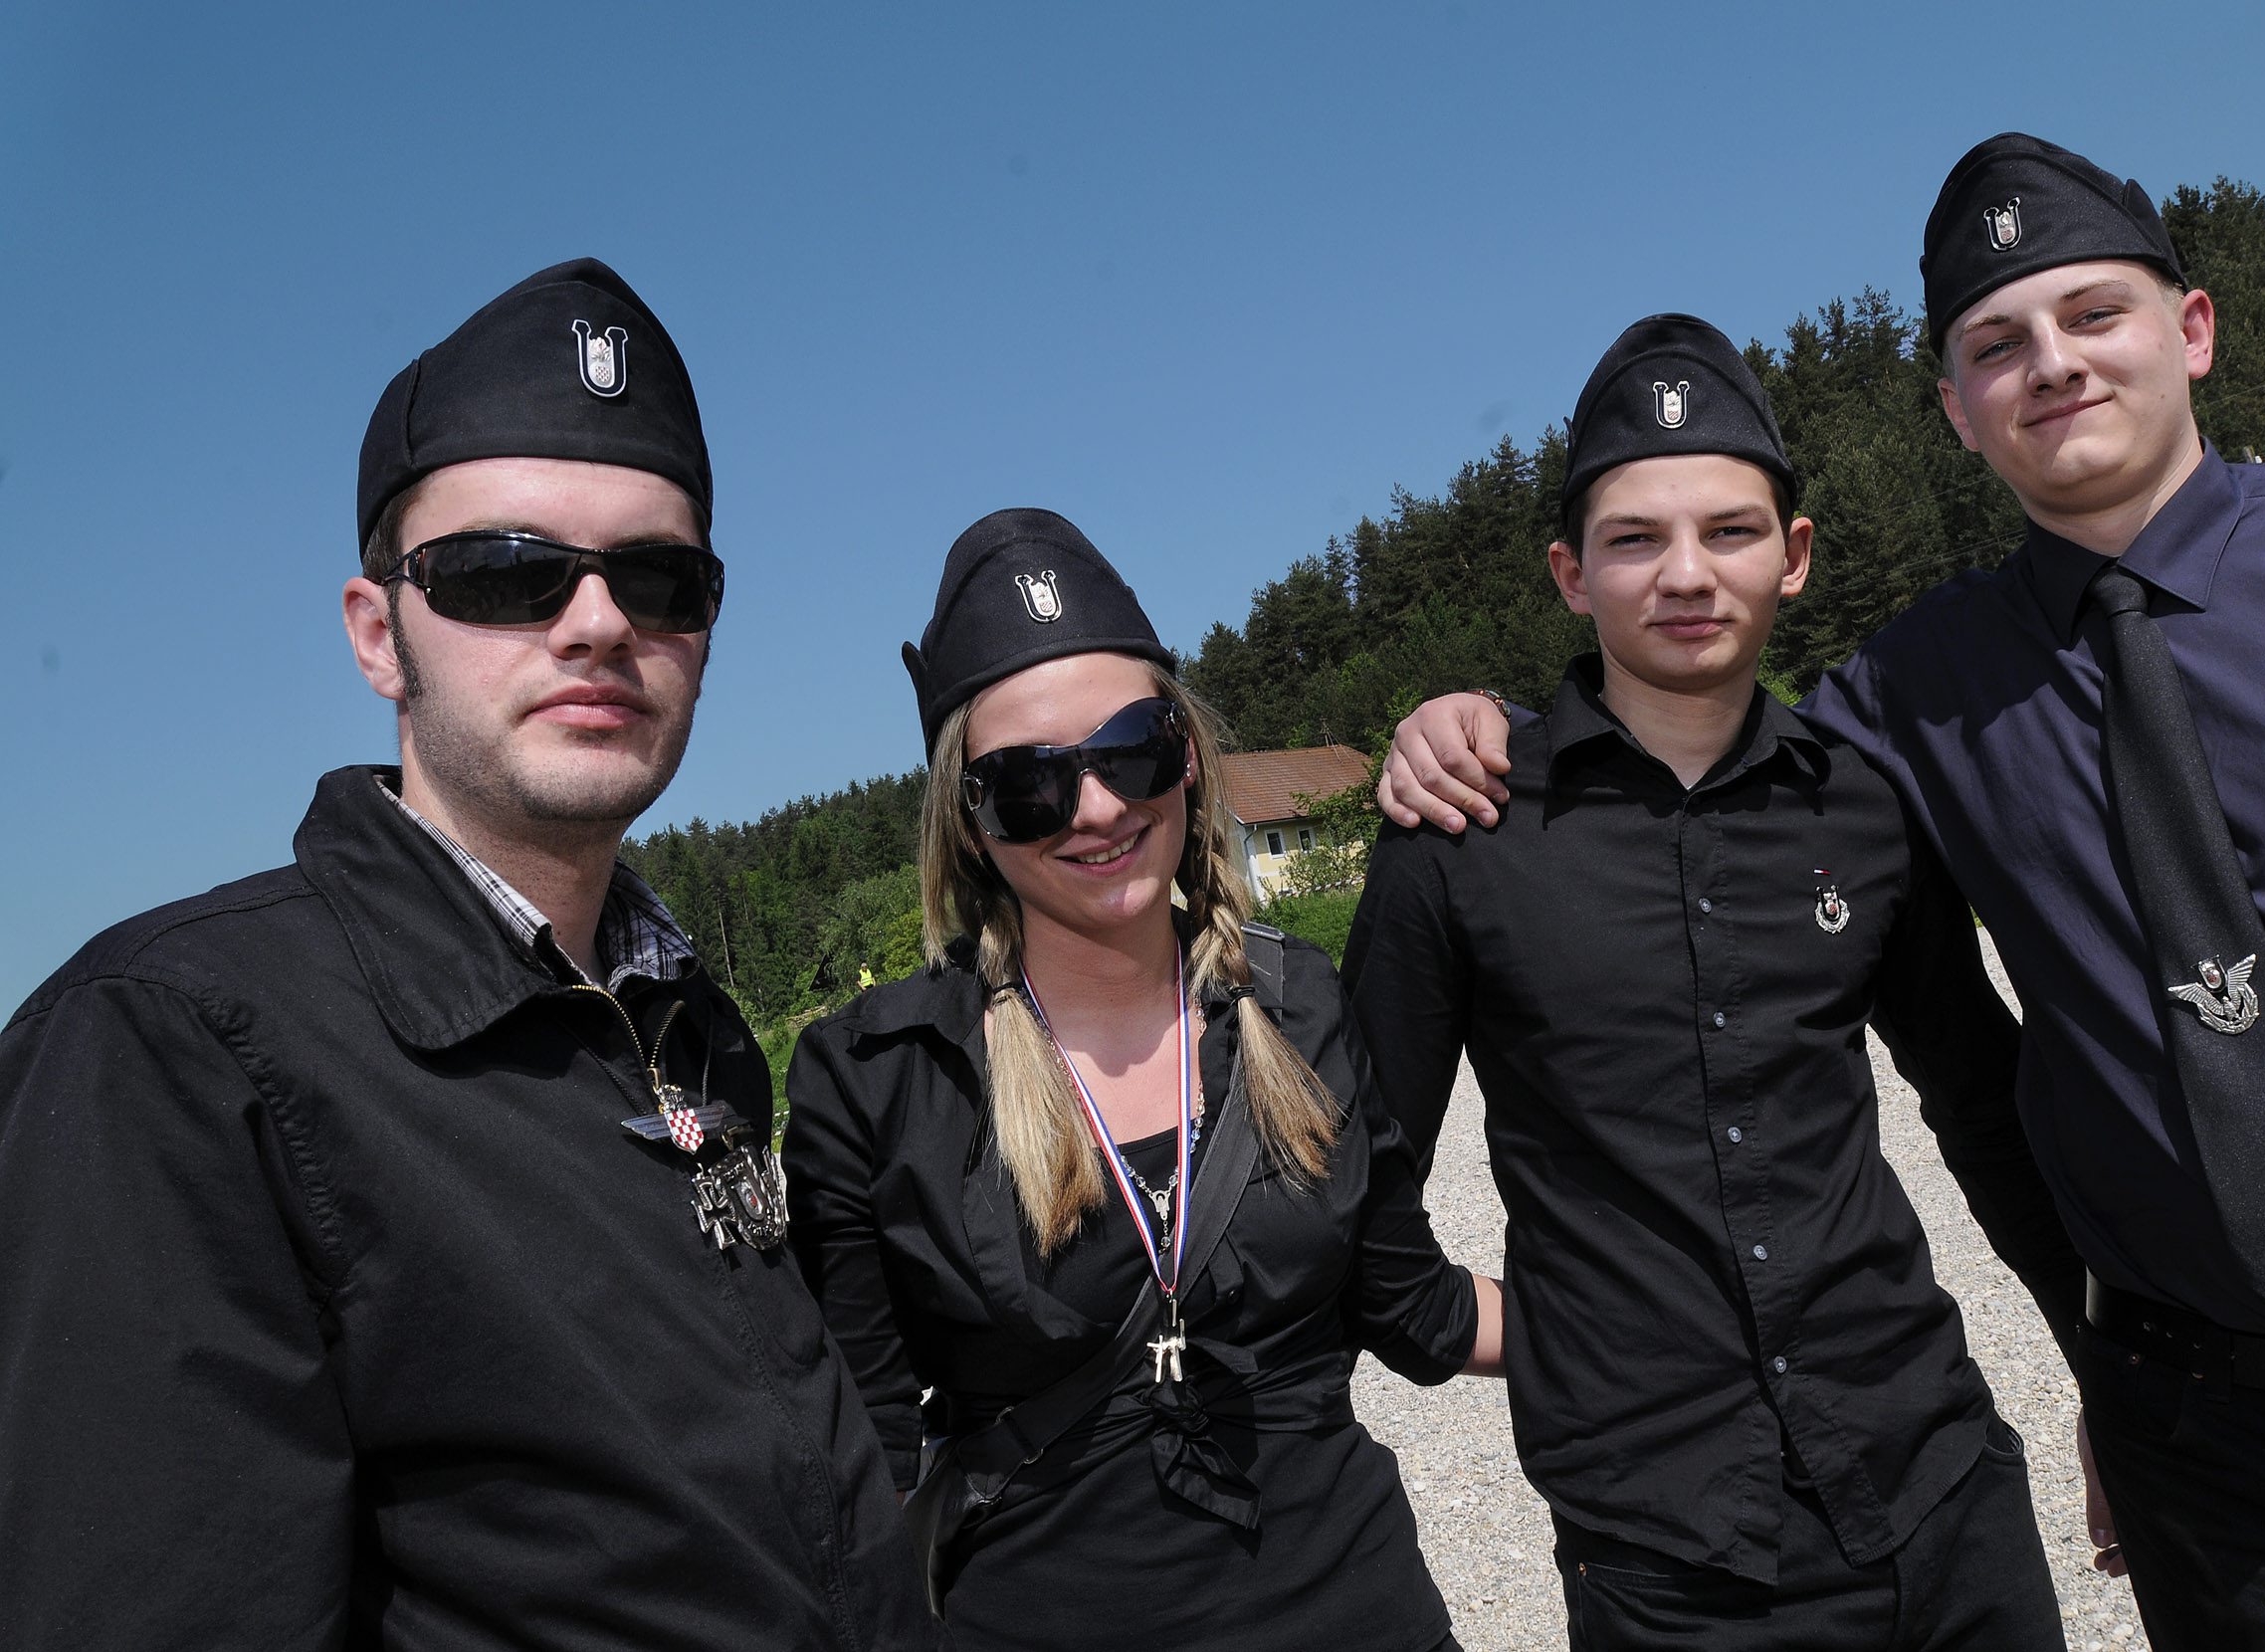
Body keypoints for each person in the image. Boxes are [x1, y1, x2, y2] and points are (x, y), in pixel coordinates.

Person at [1378, 134, 2265, 1651]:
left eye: (2093, 313)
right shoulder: (1909, 701)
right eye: (1996, 345)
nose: (2053, 365)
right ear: (1955, 413)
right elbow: (1693, 739)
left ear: (2196, 327)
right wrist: (1480, 723)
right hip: (2228, 1459)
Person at [0, 259, 938, 1651]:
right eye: (506, 571)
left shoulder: (680, 1020)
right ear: (378, 635)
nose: (599, 621)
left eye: (661, 577)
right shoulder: (170, 1051)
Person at [1340, 316, 2074, 1651]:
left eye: (1731, 532)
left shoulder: (1864, 804)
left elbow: (1978, 1100)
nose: (1687, 575)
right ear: (1571, 574)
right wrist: (1443, 1322)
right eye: (1635, 540)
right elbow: (1355, 1150)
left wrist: (2108, 1386)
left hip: (1941, 1485)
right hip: (1672, 1554)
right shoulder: (1463, 830)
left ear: (1794, 559)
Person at [780, 508, 1502, 1652]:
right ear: (967, 823)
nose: (1101, 808)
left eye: (1132, 749)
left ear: (1189, 753)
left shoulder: (1300, 1002)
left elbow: (1412, 1308)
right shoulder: (875, 1076)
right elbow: (855, 1453)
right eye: (1029, 785)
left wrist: (1659, 1320)